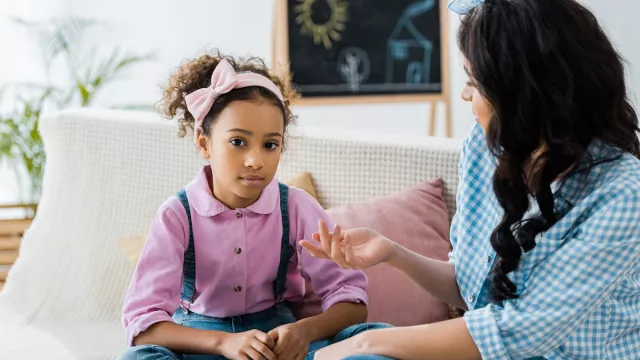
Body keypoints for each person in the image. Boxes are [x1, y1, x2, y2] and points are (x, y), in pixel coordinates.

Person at [301, 0, 640, 359]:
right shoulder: (483, 148)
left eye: (473, 83)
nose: (465, 95)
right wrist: (392, 252)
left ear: (524, 96)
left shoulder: (622, 193)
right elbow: (472, 289)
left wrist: (366, 343)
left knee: (363, 345)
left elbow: (518, 332)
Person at [119, 51, 389, 360]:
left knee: (378, 339)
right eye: (238, 142)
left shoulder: (297, 208)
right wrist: (223, 343)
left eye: (270, 145)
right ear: (203, 141)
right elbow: (143, 326)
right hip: (199, 344)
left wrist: (304, 331)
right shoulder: (177, 215)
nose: (255, 161)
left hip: (276, 343)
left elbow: (351, 301)